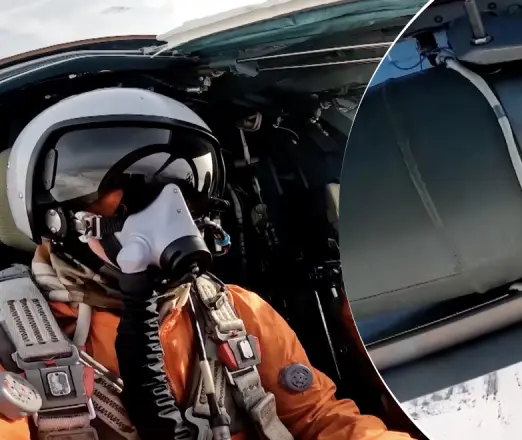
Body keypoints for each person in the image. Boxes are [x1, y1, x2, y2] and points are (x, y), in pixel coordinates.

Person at [0, 87, 414, 440]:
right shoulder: (9, 339)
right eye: (127, 187)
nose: (168, 210)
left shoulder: (237, 313)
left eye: (186, 189)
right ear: (53, 211)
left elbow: (320, 419)